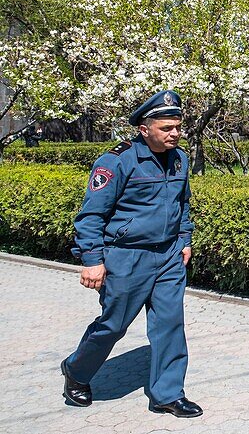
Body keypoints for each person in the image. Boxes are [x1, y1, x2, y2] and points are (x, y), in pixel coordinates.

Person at [60, 90, 202, 418]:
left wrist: (184, 239)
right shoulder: (117, 161)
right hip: (126, 258)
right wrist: (93, 261)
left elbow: (182, 204)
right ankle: (76, 371)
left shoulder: (179, 159)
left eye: (177, 127)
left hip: (168, 256)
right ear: (144, 128)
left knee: (169, 324)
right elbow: (91, 216)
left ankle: (167, 394)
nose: (175, 134)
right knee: (113, 325)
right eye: (166, 128)